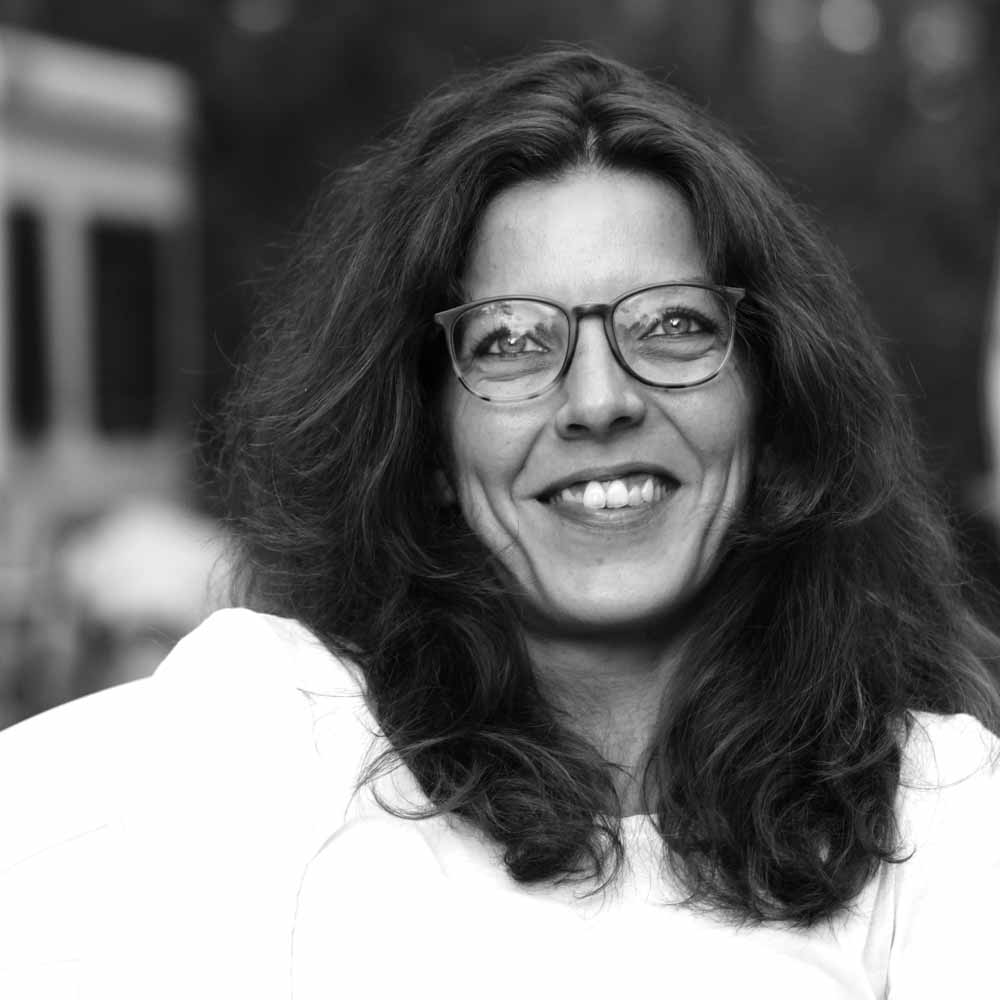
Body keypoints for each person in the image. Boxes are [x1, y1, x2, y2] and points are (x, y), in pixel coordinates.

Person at [2, 48, 1000, 1000]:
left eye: (671, 324)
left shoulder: (938, 810)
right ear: (427, 439)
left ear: (770, 401)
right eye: (513, 341)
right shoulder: (269, 739)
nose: (599, 400)